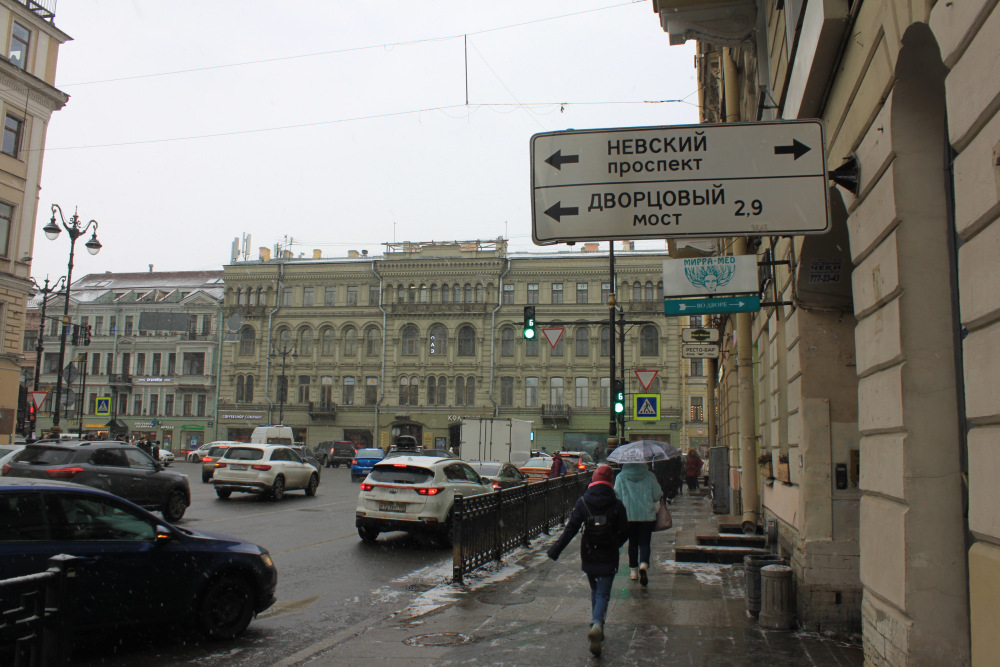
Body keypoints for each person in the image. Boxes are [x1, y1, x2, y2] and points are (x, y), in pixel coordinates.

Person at [546, 465, 629, 657]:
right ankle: (597, 624)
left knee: (595, 589)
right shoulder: (616, 504)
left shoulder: (583, 502)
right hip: (608, 555)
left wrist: (555, 550)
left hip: (590, 552)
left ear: (594, 480)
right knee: (603, 593)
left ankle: (596, 624)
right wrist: (615, 542)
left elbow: (571, 529)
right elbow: (626, 531)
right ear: (610, 482)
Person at [614, 462, 664, 587]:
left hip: (629, 516)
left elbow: (617, 496)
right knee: (645, 543)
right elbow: (657, 495)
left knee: (632, 543)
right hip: (646, 516)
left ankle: (633, 571)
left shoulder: (621, 476)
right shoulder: (649, 475)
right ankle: (643, 564)